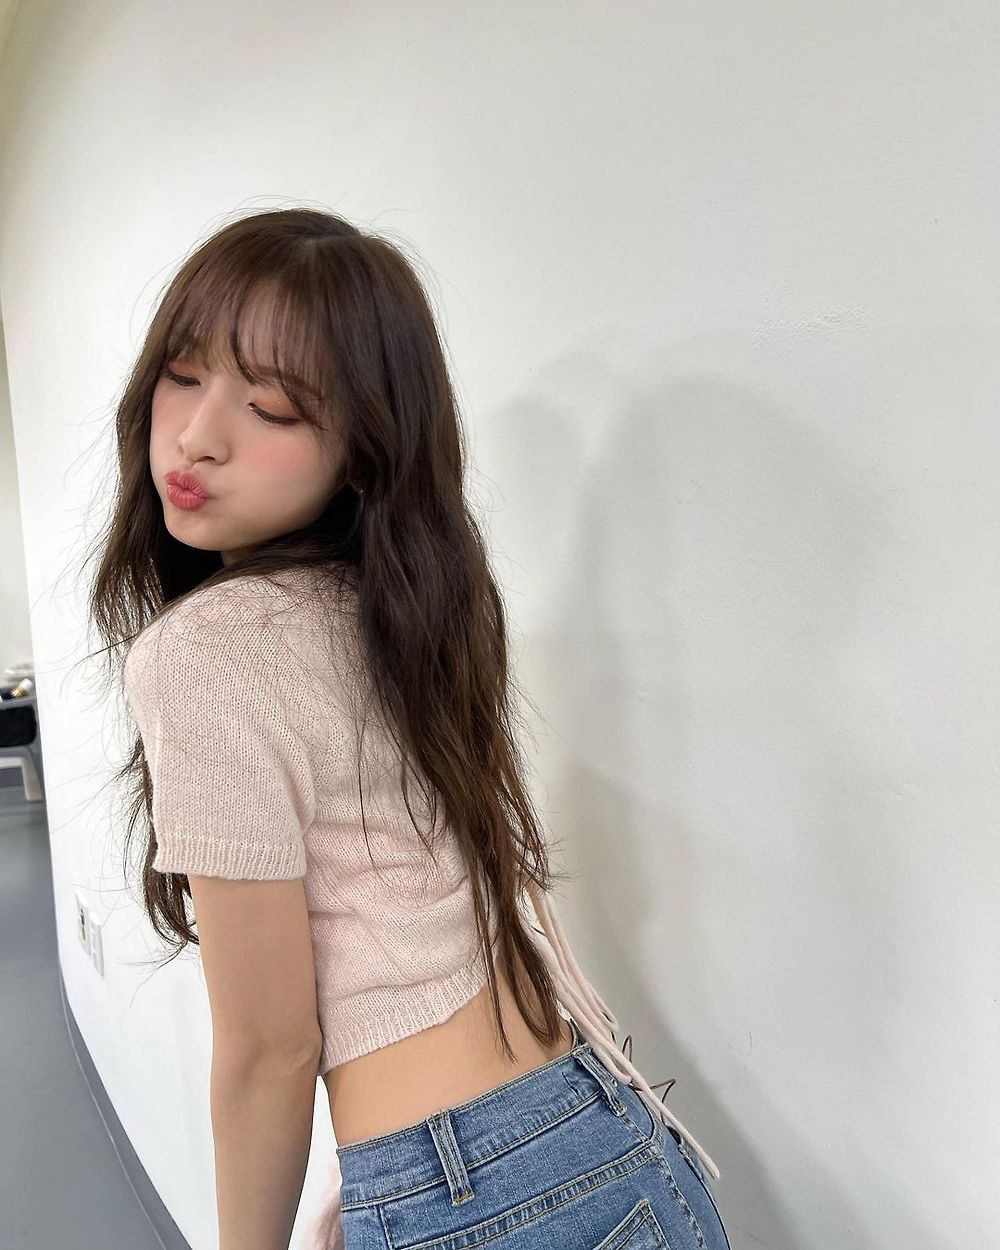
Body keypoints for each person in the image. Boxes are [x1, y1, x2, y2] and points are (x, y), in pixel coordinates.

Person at [88, 207, 731, 1250]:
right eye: (183, 371)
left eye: (271, 406)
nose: (200, 433)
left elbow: (269, 1051)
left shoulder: (204, 652)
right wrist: (390, 1188)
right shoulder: (418, 604)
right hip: (606, 1130)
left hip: (472, 1187)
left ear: (362, 449)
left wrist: (410, 1189)